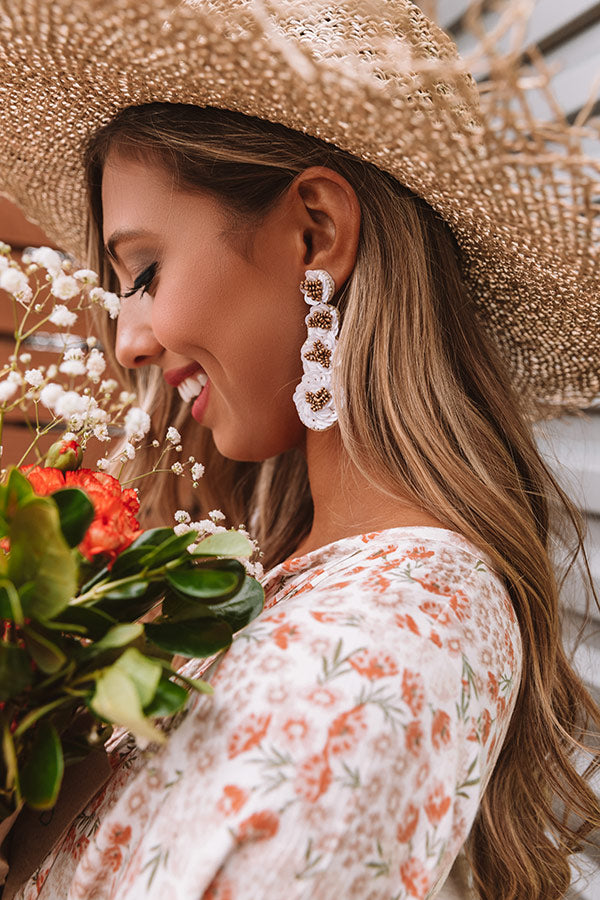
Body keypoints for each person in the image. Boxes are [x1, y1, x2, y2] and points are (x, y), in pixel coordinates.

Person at [0, 1, 598, 898]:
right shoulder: (285, 587)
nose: (126, 342)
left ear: (316, 231)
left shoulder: (386, 639)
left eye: (144, 273)